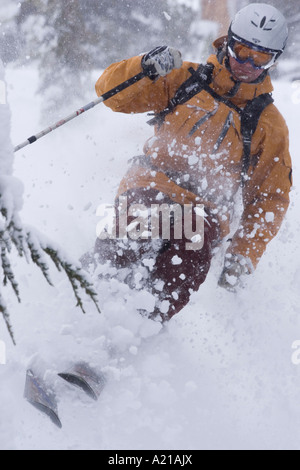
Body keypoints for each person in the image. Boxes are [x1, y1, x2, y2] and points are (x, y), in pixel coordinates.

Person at [90, 3, 292, 321]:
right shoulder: (185, 79)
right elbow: (110, 94)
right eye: (242, 50)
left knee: (187, 254)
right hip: (152, 183)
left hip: (207, 208)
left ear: (273, 61)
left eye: (261, 57)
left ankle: (137, 331)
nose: (247, 63)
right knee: (134, 229)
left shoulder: (268, 123)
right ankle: (88, 310)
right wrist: (143, 67)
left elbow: (269, 197)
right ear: (228, 42)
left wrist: (244, 253)